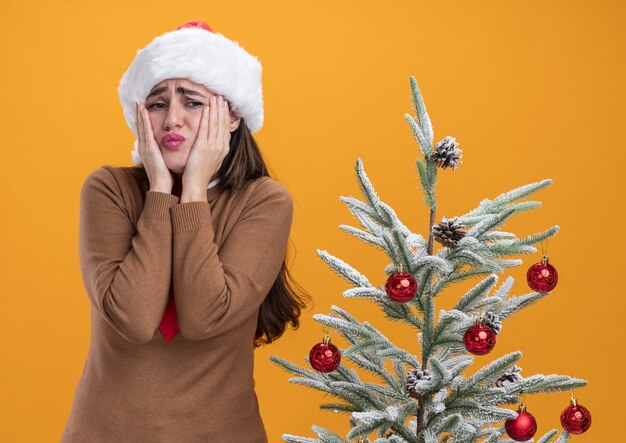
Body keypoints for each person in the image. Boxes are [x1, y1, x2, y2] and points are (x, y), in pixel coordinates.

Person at [61, 20, 311, 442]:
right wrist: (160, 191)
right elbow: (134, 319)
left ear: (231, 117)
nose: (172, 119)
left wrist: (193, 189)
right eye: (157, 104)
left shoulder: (264, 202)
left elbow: (203, 317)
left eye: (192, 102)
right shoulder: (108, 189)